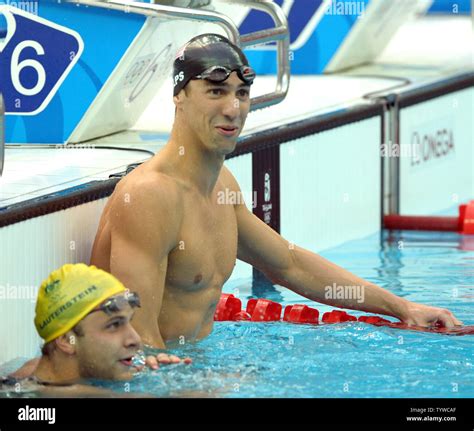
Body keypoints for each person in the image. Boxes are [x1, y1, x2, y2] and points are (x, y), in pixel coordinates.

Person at [90, 33, 462, 349]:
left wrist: (403, 308)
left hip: (191, 369)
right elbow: (137, 341)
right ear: (179, 96)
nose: (233, 108)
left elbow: (289, 264)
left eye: (243, 93)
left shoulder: (221, 187)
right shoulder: (149, 196)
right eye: (216, 91)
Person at [2, 264, 190, 396]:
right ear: (67, 341)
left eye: (129, 322)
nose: (135, 339)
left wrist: (159, 376)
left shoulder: (33, 369)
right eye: (114, 325)